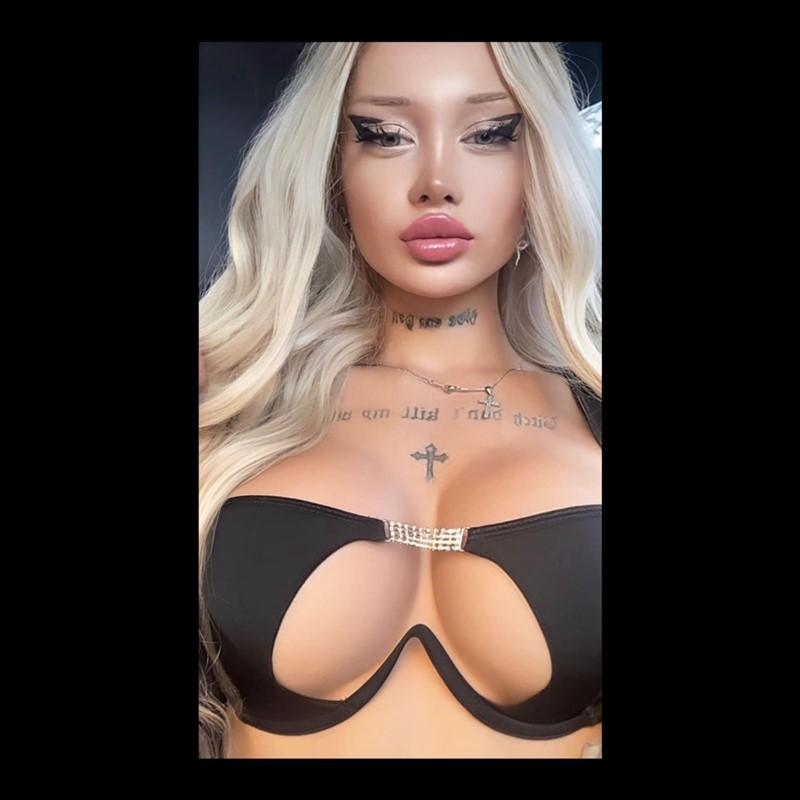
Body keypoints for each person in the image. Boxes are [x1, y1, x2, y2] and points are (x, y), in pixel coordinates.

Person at [199, 42, 601, 759]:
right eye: (385, 135)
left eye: (490, 133)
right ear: (332, 166)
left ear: (541, 163)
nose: (436, 182)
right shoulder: (229, 401)